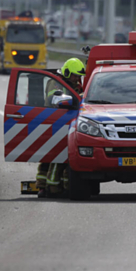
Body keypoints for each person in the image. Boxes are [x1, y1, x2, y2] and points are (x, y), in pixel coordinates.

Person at [37, 58, 86, 198]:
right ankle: (46, 187)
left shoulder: (75, 85)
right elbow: (52, 99)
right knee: (51, 158)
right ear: (66, 72)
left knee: (64, 160)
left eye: (79, 76)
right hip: (53, 122)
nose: (77, 78)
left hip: (67, 123)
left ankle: (63, 187)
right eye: (75, 75)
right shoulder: (56, 83)